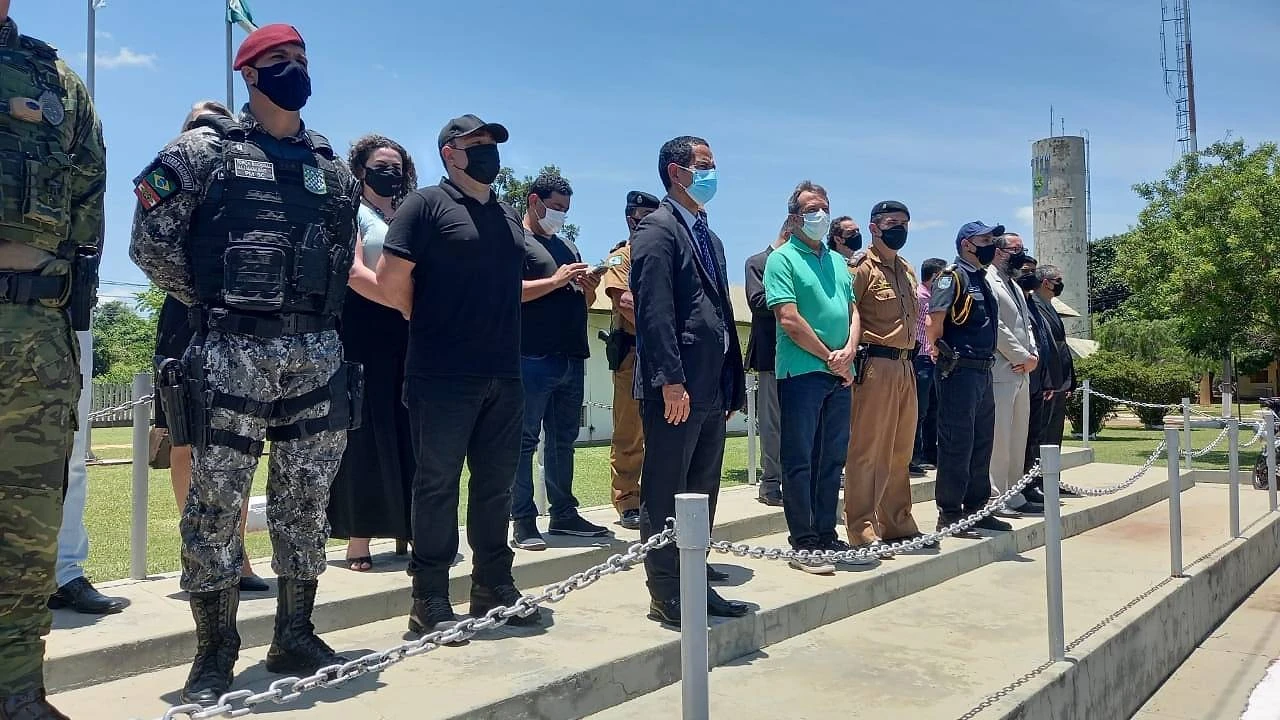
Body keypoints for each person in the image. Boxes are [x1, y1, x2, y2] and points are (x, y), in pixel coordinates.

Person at [129, 25, 362, 705]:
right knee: (215, 500)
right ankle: (215, 650)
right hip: (232, 350)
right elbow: (150, 244)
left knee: (307, 497)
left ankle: (295, 632)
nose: (295, 69)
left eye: (302, 59)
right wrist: (215, 302)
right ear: (250, 75)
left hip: (317, 351)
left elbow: (341, 253)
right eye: (279, 60)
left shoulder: (333, 169)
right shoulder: (201, 154)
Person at [369, 114, 541, 634]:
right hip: (441, 373)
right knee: (437, 486)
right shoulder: (425, 205)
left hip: (503, 372)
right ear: (450, 153)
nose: (489, 151)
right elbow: (390, 280)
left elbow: (504, 286)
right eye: (477, 143)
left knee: (495, 486)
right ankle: (430, 597)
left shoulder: (507, 215)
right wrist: (432, 320)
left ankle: (492, 585)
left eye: (492, 143)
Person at [0, 3, 105, 715]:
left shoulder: (55, 78)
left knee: (27, 529)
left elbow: (87, 198)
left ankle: (17, 691)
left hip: (33, 332)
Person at [149, 101, 268, 594]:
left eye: (220, 118)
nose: (213, 126)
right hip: (186, 311)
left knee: (239, 437)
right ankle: (198, 554)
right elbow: (153, 245)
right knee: (186, 437)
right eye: (201, 120)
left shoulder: (247, 175)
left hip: (240, 318)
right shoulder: (177, 166)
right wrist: (200, 295)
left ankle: (236, 554)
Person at [631, 135, 748, 626]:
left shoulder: (709, 236)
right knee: (666, 490)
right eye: (704, 165)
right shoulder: (657, 230)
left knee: (702, 490)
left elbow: (719, 314)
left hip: (711, 386)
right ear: (676, 172)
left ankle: (696, 581)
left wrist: (730, 380)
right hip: (675, 389)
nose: (711, 174)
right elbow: (654, 311)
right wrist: (669, 380)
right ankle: (665, 591)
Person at [327, 134, 419, 571]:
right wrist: (401, 304)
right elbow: (353, 271)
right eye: (382, 166)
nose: (391, 173)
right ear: (361, 170)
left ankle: (413, 527)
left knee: (411, 430)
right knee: (364, 432)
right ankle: (358, 538)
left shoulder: (408, 213)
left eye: (397, 167)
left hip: (409, 333)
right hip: (364, 329)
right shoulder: (352, 211)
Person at [764, 182, 866, 574]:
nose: (819, 215)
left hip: (840, 373)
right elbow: (788, 319)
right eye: (810, 209)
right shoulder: (782, 259)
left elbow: (853, 311)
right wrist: (829, 357)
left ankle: (826, 533)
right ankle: (803, 541)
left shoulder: (839, 262)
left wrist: (849, 351)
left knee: (832, 458)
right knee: (800, 459)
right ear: (794, 217)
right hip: (803, 371)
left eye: (823, 207)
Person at [511, 172, 610, 549]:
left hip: (572, 354)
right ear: (534, 201)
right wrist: (554, 281)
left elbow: (586, 302)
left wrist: (589, 288)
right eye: (555, 207)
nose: (561, 215)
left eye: (566, 210)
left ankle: (564, 513)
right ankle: (523, 519)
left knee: (563, 440)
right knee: (523, 440)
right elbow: (509, 292)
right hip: (531, 354)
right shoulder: (516, 241)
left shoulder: (568, 246)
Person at [844, 201, 934, 553]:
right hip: (875, 364)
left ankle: (898, 522)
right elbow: (848, 315)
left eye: (905, 223)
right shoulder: (861, 268)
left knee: (900, 449)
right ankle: (861, 527)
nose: (901, 229)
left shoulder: (906, 269)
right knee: (868, 451)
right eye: (893, 222)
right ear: (874, 228)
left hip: (906, 364)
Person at [927, 222, 1011, 537]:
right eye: (985, 239)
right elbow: (935, 321)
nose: (992, 244)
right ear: (966, 244)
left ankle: (977, 509)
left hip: (983, 369)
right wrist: (940, 351)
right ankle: (950, 513)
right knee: (956, 443)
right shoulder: (951, 277)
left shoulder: (981, 278)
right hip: (959, 369)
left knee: (981, 442)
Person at [600, 190, 661, 529]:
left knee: (664, 430)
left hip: (666, 354)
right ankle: (627, 499)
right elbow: (625, 302)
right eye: (644, 217)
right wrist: (664, 331)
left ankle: (658, 496)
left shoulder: (664, 254)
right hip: (634, 353)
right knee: (629, 432)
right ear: (631, 219)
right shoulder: (621, 257)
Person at [986, 232, 1044, 517]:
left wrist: (1033, 355)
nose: (1021, 254)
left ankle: (1014, 492)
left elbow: (1026, 325)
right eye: (1015, 249)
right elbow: (996, 326)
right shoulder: (989, 280)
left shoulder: (1016, 285)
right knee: (1000, 438)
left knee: (1018, 437)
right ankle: (995, 496)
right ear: (999, 251)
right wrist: (1021, 356)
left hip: (1023, 371)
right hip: (1002, 369)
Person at [744, 230, 787, 508]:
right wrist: (791, 298)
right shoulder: (758, 262)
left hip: (803, 357)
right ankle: (770, 483)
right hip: (771, 356)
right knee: (772, 426)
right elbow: (757, 301)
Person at [1015, 255, 1061, 505]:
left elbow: (1045, 343)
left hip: (1040, 380)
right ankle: (1024, 485)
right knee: (1025, 439)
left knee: (1036, 437)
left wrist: (1048, 380)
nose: (1030, 275)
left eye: (1033, 270)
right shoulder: (1019, 301)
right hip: (1022, 377)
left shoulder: (1033, 302)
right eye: (1026, 270)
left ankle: (1032, 484)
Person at [1029, 264, 1077, 492]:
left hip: (1059, 381)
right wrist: (1048, 380)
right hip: (1046, 381)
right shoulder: (1034, 306)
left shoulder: (1050, 306)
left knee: (1054, 435)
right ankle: (1037, 481)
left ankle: (1051, 479)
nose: (1060, 284)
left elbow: (1061, 346)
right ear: (1046, 282)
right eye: (1057, 280)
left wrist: (1068, 380)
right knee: (1041, 435)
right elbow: (1043, 346)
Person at [910, 258, 948, 476]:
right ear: (934, 277)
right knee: (919, 410)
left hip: (934, 360)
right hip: (921, 359)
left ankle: (930, 453)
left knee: (934, 409)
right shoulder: (919, 296)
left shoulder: (935, 298)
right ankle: (914, 455)